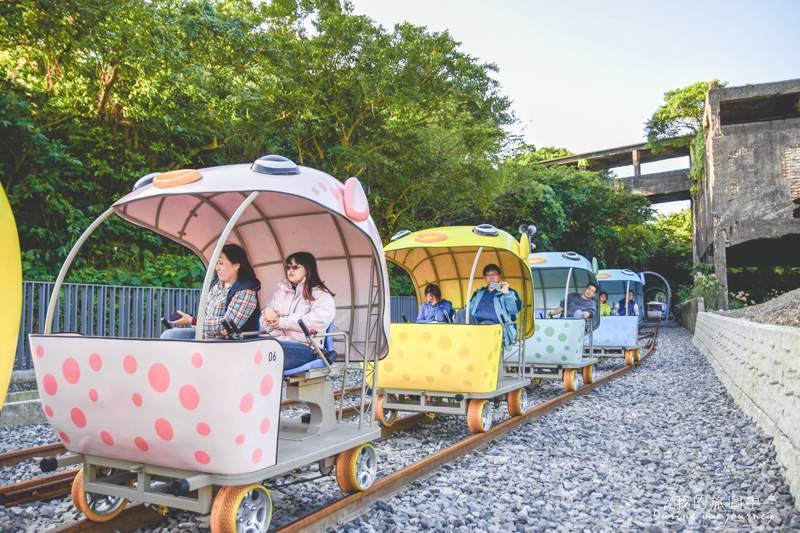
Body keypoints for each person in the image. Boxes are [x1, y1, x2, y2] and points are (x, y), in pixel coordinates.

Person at [162, 243, 261, 339]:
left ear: (236, 266)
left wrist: (193, 321)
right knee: (169, 335)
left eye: (221, 263)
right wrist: (191, 321)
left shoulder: (245, 290)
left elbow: (227, 326)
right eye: (216, 263)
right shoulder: (216, 283)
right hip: (206, 335)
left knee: (200, 345)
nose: (217, 268)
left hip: (229, 340)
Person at [260, 252, 336, 371]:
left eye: (295, 266)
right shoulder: (280, 293)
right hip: (278, 343)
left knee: (262, 352)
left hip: (306, 347)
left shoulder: (321, 295)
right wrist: (270, 319)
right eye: (288, 267)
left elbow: (319, 320)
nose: (290, 270)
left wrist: (282, 321)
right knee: (249, 348)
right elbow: (262, 322)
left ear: (308, 268)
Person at [455, 263, 521, 345]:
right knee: (461, 312)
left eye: (494, 274)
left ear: (499, 276)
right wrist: (457, 316)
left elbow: (513, 310)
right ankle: (459, 342)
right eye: (488, 275)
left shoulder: (509, 292)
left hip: (497, 327)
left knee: (484, 327)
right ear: (484, 278)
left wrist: (506, 293)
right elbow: (469, 309)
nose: (491, 277)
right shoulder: (478, 293)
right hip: (476, 325)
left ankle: (468, 341)